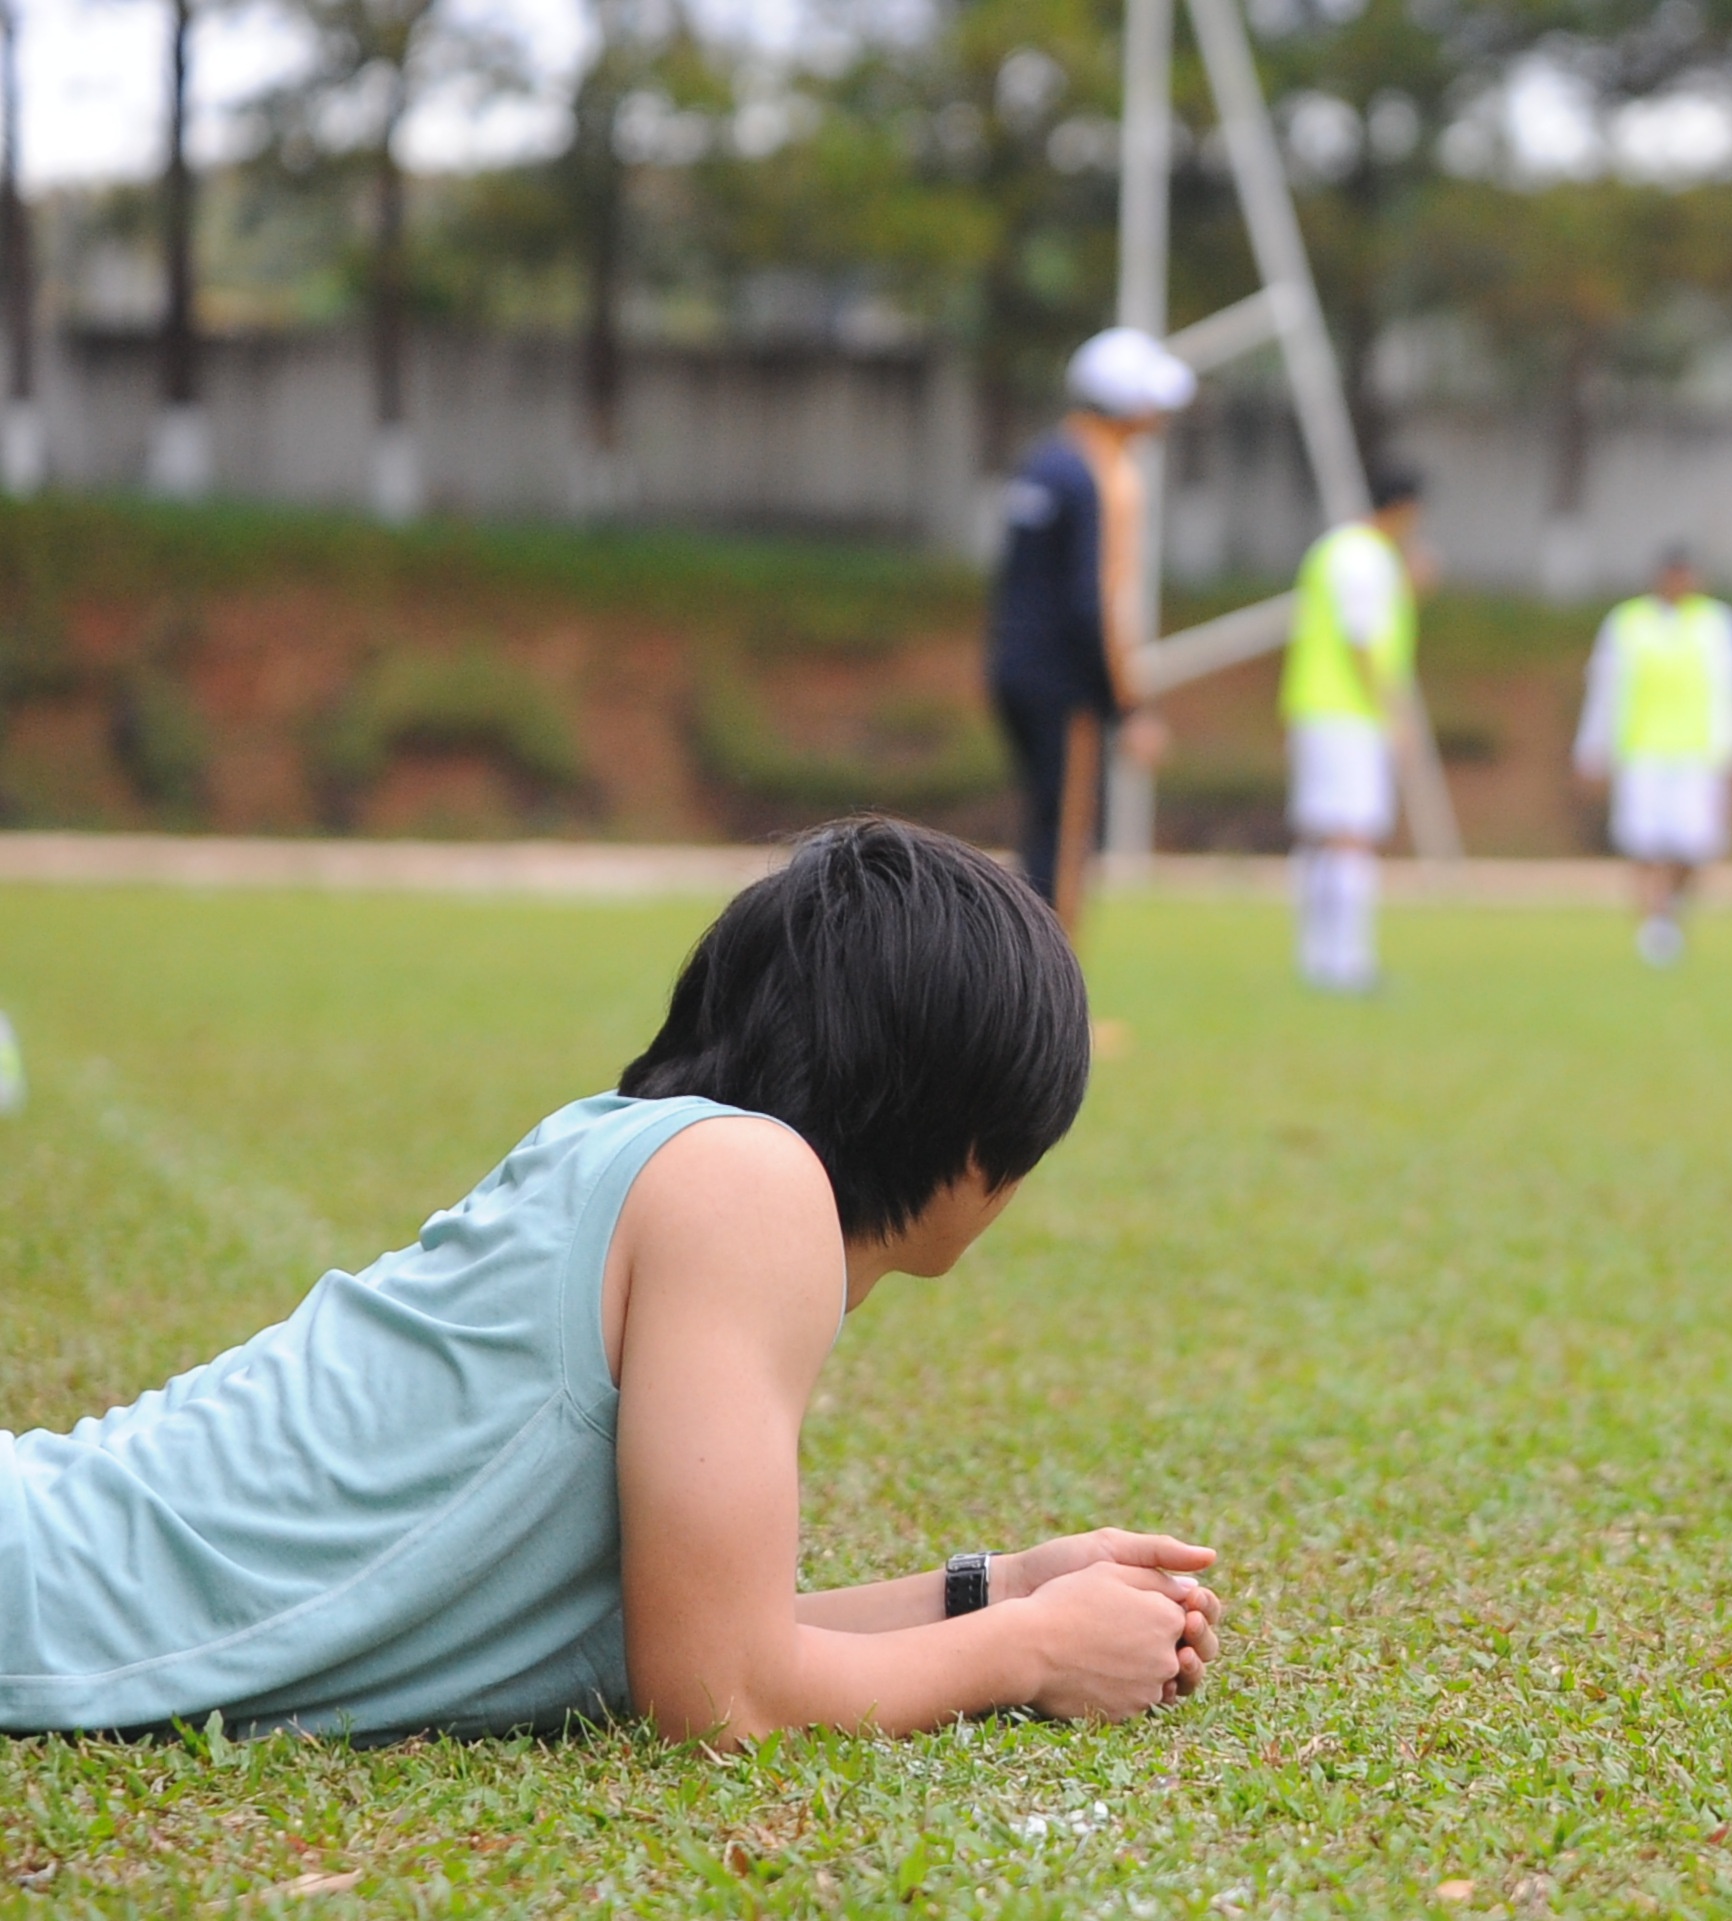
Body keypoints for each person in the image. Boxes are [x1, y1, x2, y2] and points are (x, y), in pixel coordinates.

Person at [0, 818, 1223, 1744]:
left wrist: (995, 1591)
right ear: (972, 1131)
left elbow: (683, 1640)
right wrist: (1029, 1651)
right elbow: (721, 1695)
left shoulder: (668, 1160)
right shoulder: (749, 1188)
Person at [986, 327, 1197, 932]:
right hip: (1063, 686)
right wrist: (1127, 707)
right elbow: (1096, 604)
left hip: (1016, 671)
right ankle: (1047, 983)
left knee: (1045, 829)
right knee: (1067, 843)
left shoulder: (1046, 461)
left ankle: (1020, 973)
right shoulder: (1102, 476)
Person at [1571, 546, 1732, 965]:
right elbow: (1605, 690)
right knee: (1644, 842)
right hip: (1643, 750)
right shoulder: (1628, 622)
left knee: (1695, 845)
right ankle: (1654, 928)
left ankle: (1671, 907)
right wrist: (1592, 748)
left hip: (1698, 754)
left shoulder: (1718, 624)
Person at [1279, 465, 1426, 993]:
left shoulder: (1335, 549)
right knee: (1352, 835)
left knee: (1322, 835)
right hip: (1348, 714)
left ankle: (1316, 957)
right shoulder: (1366, 557)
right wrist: (1394, 712)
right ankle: (1347, 962)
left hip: (1317, 707)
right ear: (1405, 508)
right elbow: (1361, 639)